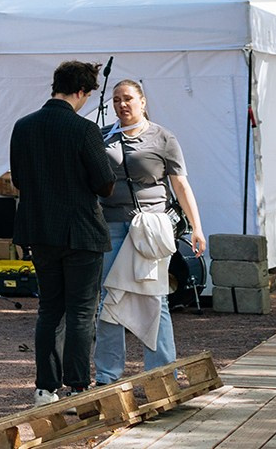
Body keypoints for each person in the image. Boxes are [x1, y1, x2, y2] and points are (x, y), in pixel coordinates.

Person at [9, 60, 116, 404]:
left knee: (49, 309)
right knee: (82, 311)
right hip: (81, 232)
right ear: (82, 91)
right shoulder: (85, 130)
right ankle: (79, 385)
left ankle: (45, 387)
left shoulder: (22, 127)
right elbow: (104, 184)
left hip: (40, 230)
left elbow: (20, 181)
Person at [94, 79, 206, 384]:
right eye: (116, 100)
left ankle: (161, 374)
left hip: (151, 228)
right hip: (113, 225)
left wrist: (197, 228)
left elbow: (180, 185)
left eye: (128, 98)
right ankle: (107, 377)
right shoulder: (104, 136)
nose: (122, 105)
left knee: (154, 298)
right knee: (110, 298)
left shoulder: (163, 137)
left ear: (143, 102)